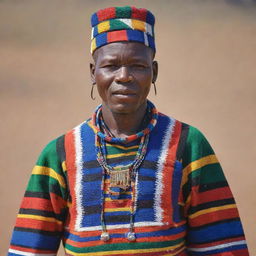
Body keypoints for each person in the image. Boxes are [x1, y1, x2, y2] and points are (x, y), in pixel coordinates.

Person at [8, 6, 249, 256]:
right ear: (93, 73)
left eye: (137, 66)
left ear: (153, 72)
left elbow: (223, 247)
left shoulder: (187, 145)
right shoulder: (60, 154)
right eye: (111, 66)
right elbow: (28, 250)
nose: (124, 76)